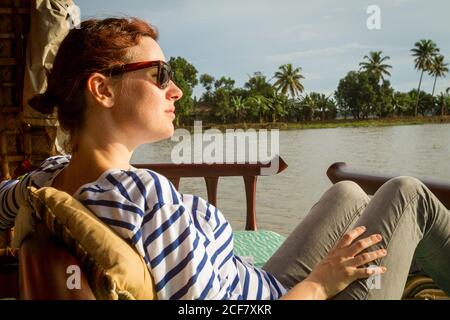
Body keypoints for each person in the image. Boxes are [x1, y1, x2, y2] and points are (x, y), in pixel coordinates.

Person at [0, 17, 449, 300]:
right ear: (102, 89)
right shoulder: (143, 194)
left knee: (348, 190)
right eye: (160, 75)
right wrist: (320, 283)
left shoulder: (49, 181)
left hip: (257, 282)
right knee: (407, 194)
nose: (175, 90)